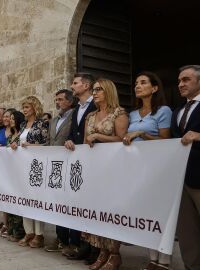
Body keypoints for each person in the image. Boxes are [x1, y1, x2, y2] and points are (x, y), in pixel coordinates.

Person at [121, 72, 172, 270]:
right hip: (137, 168)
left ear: (155, 88)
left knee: (161, 212)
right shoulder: (132, 114)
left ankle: (165, 260)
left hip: (158, 167)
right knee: (147, 212)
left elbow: (167, 141)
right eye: (136, 83)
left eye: (143, 83)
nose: (137, 86)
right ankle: (152, 258)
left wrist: (143, 134)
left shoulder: (164, 111)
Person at [82, 78, 129, 270]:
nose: (95, 93)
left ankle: (115, 254)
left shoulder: (119, 113)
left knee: (111, 210)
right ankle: (102, 251)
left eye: (99, 89)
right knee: (96, 210)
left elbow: (122, 139)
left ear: (108, 91)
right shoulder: (90, 115)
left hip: (114, 169)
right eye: (93, 90)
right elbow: (86, 141)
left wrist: (99, 136)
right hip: (94, 169)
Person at [64, 72, 97, 262]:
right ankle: (83, 245)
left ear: (86, 86)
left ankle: (94, 248)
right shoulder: (77, 108)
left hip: (92, 159)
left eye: (75, 83)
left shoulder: (95, 105)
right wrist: (69, 140)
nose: (72, 85)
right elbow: (73, 132)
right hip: (78, 161)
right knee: (79, 204)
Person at [172, 65, 200, 270]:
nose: (181, 84)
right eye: (180, 80)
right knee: (187, 232)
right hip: (181, 179)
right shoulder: (177, 111)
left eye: (186, 80)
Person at [11, 96, 49, 248]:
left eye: (27, 107)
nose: (24, 110)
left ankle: (39, 235)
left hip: (37, 167)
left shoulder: (42, 123)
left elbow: (47, 144)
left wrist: (31, 145)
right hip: (22, 166)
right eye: (24, 107)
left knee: (36, 200)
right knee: (24, 199)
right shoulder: (22, 125)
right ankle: (29, 232)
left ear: (34, 107)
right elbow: (19, 141)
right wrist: (15, 144)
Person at [44, 89, 75, 252]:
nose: (57, 102)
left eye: (61, 99)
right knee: (58, 202)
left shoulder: (75, 116)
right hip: (55, 166)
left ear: (70, 101)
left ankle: (73, 241)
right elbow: (50, 142)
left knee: (71, 202)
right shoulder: (54, 120)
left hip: (70, 164)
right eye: (56, 99)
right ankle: (60, 237)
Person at [4, 110, 26, 241]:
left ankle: (19, 231)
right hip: (9, 172)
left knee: (18, 201)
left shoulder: (21, 135)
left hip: (19, 171)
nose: (11, 120)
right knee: (10, 200)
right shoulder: (9, 137)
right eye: (10, 118)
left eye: (13, 118)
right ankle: (11, 228)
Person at [0, 108, 15, 235]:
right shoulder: (0, 131)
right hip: (2, 168)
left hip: (13, 168)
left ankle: (12, 225)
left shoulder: (15, 131)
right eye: (5, 117)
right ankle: (5, 224)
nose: (6, 119)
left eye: (9, 117)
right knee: (4, 197)